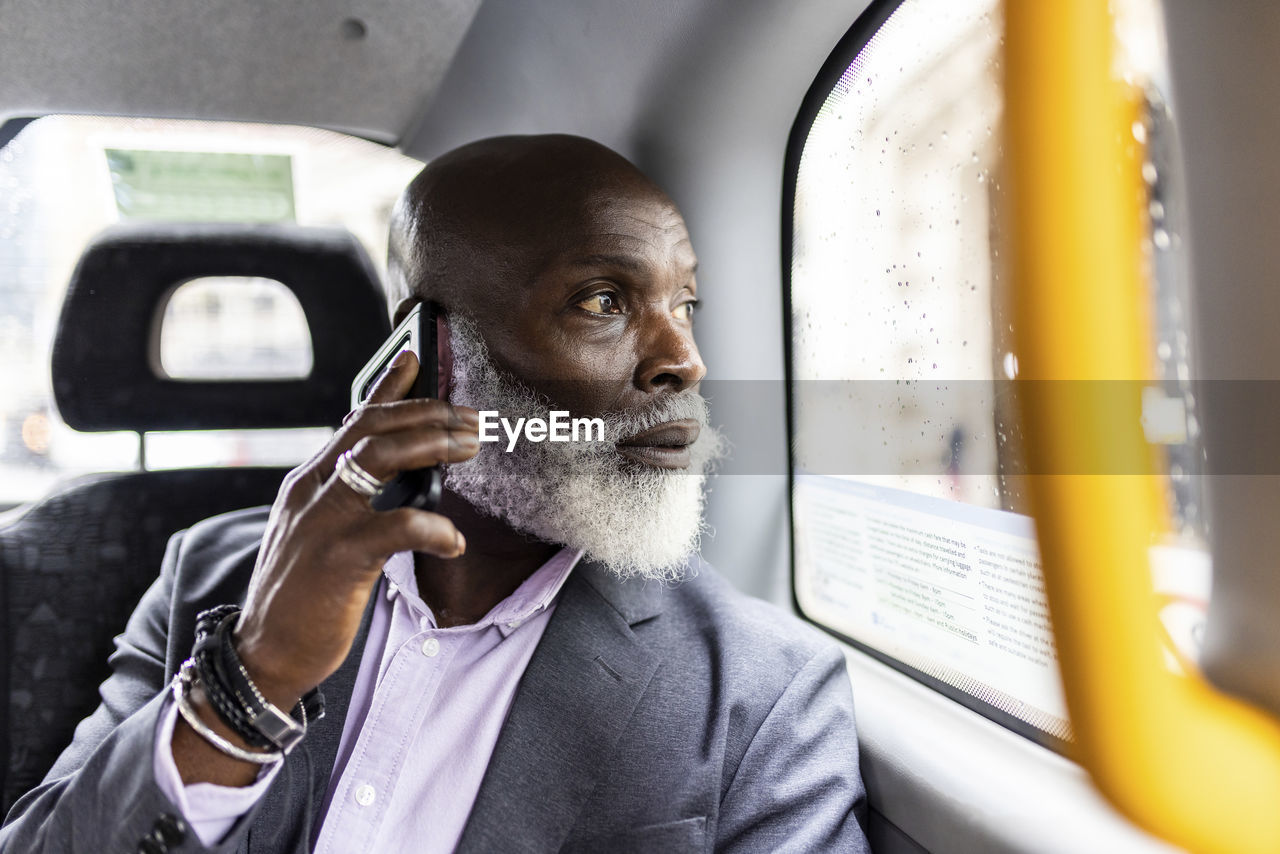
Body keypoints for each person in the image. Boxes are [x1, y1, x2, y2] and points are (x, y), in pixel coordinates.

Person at [1, 134, 870, 853]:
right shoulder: (213, 575)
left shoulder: (765, 693)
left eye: (686, 303)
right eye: (604, 299)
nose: (684, 359)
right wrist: (251, 678)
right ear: (430, 353)